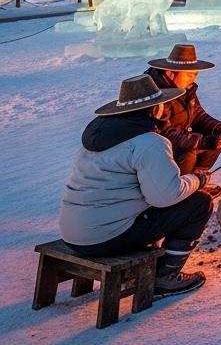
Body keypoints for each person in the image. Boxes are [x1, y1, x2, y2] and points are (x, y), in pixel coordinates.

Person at [59, 74, 213, 298]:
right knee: (200, 202)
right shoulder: (149, 142)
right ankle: (164, 277)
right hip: (105, 238)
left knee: (153, 207)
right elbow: (166, 196)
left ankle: (148, 267)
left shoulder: (101, 137)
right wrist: (198, 179)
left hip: (74, 233)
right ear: (154, 109)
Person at [144, 44, 221, 196]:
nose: (193, 79)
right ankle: (180, 190)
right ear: (170, 73)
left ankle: (197, 180)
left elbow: (198, 115)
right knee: (189, 153)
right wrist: (203, 141)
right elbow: (166, 134)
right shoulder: (155, 94)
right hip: (158, 151)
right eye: (189, 75)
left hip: (180, 139)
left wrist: (220, 129)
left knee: (218, 141)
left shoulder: (185, 89)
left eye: (195, 75)